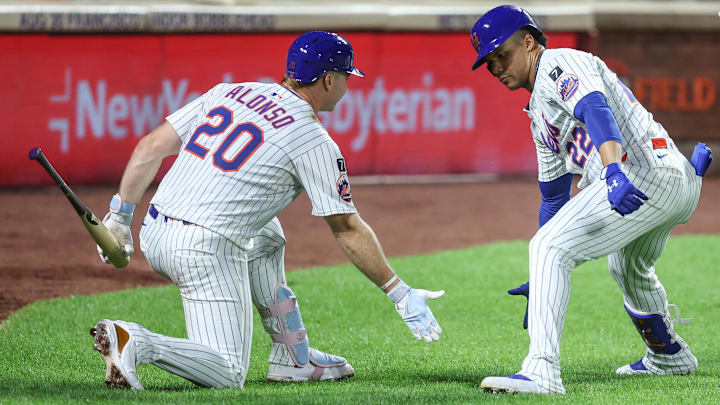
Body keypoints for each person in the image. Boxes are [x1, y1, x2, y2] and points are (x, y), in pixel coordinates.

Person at [91, 30, 444, 390]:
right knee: (228, 373)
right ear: (327, 80)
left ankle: (292, 356)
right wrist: (399, 292)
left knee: (266, 233)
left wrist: (120, 217)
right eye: (345, 78)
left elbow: (151, 147)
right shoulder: (313, 140)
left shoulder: (230, 91)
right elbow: (347, 229)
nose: (348, 87)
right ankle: (136, 340)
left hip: (154, 230)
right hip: (201, 251)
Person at [468, 5, 712, 394]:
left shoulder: (557, 63)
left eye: (502, 54)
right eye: (489, 62)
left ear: (529, 42)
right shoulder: (538, 113)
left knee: (551, 248)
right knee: (628, 267)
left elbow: (594, 108)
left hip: (640, 175)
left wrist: (614, 172)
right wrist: (540, 274)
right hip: (672, 181)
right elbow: (553, 197)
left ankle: (542, 372)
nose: (496, 67)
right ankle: (670, 356)